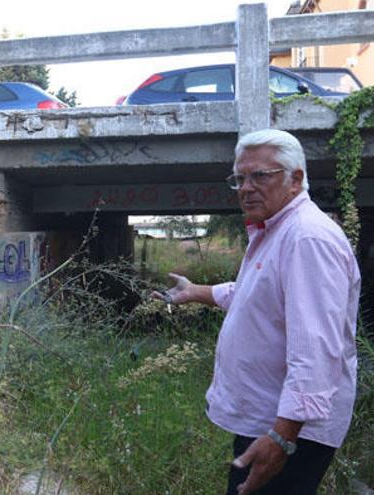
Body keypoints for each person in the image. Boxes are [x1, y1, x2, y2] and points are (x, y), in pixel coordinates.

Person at [151, 129, 361, 495]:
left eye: (260, 176)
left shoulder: (307, 238)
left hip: (291, 430)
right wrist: (196, 292)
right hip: (273, 419)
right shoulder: (277, 231)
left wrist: (282, 439)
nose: (247, 187)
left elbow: (316, 351)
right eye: (240, 178)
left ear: (295, 180)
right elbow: (260, 297)